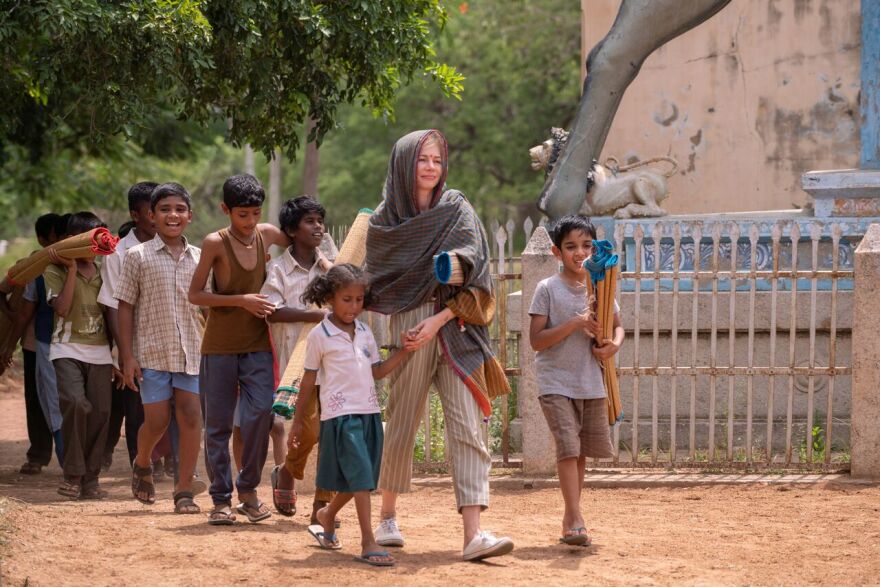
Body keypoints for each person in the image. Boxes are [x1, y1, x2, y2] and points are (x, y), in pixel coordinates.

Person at [365, 129, 514, 562]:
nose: (431, 168)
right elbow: (381, 276)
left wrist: (442, 315)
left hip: (456, 321)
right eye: (421, 160)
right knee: (403, 416)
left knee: (468, 423)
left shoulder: (456, 207)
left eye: (437, 160)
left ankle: (473, 533)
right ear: (403, 164)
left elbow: (477, 267)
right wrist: (420, 321)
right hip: (408, 323)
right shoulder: (383, 220)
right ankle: (388, 517)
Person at [188, 173, 291, 525]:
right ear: (225, 210)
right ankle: (220, 499)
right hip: (218, 347)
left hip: (258, 345)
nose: (249, 222)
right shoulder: (214, 242)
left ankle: (248, 490)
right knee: (217, 425)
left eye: (255, 214)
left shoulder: (267, 235)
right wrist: (241, 301)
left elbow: (301, 242)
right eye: (241, 214)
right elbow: (195, 295)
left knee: (261, 415)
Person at [292, 264, 412, 567]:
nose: (354, 306)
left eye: (359, 300)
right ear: (331, 297)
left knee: (363, 478)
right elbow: (308, 380)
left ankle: (327, 515)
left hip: (369, 413)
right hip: (340, 415)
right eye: (347, 299)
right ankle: (368, 541)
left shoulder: (365, 331)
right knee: (360, 477)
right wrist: (297, 421)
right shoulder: (320, 335)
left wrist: (404, 351)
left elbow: (377, 371)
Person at [528, 214, 624, 546]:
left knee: (581, 452)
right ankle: (576, 517)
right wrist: (574, 324)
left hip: (590, 381)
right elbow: (536, 341)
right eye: (571, 246)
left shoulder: (601, 286)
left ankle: (571, 515)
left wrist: (615, 344)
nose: (579, 252)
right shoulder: (547, 289)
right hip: (555, 382)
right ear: (557, 252)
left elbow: (618, 325)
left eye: (586, 245)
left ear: (595, 248)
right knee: (568, 446)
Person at [115, 183, 205, 514]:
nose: (173, 215)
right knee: (157, 421)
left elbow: (207, 306)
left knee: (192, 416)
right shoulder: (137, 257)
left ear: (190, 216)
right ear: (151, 216)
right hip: (152, 351)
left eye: (180, 209)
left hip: (192, 352)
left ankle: (184, 491)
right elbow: (124, 306)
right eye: (165, 209)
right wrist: (127, 356)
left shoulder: (200, 257)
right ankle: (142, 463)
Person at [261, 195, 333, 520]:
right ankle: (287, 473)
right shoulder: (278, 269)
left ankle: (322, 504)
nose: (317, 226)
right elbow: (271, 312)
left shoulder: (331, 266)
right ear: (291, 229)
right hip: (297, 366)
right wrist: (313, 316)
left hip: (333, 363)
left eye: (320, 220)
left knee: (332, 432)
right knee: (310, 431)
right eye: (309, 221)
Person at [45, 211, 113, 499]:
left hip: (100, 351)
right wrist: (71, 269)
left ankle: (91, 478)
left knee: (100, 413)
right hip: (67, 348)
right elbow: (61, 308)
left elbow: (110, 312)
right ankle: (72, 474)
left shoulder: (105, 271)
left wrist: (119, 353)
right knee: (76, 404)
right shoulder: (53, 270)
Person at [99, 182, 157, 470]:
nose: (160, 216)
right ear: (136, 215)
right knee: (135, 409)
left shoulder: (177, 246)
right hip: (133, 343)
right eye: (152, 211)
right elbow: (111, 304)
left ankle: (169, 463)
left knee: (169, 406)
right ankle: (140, 466)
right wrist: (124, 352)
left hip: (167, 341)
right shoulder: (119, 253)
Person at [1, 213, 62, 473]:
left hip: (71, 343)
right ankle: (38, 454)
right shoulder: (30, 266)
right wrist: (14, 323)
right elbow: (4, 292)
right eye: (57, 237)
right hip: (35, 343)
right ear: (43, 239)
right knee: (37, 399)